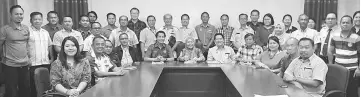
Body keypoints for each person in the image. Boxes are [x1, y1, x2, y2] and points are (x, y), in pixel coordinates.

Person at [0, 5, 31, 97]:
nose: (19, 16)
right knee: (11, 90)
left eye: (21, 14)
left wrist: (28, 58)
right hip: (10, 65)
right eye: (16, 14)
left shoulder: (26, 28)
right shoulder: (4, 29)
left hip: (24, 64)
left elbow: (27, 45)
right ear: (11, 15)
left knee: (25, 88)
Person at [328, 15, 360, 97]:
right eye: (343, 22)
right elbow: (330, 51)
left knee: (352, 92)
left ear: (352, 24)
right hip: (338, 69)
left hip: (352, 70)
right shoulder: (335, 36)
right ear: (340, 24)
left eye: (347, 23)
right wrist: (331, 65)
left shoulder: (357, 38)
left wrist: (359, 68)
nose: (345, 24)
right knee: (339, 91)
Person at [28, 12, 54, 97]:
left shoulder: (45, 32)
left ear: (42, 20)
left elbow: (50, 45)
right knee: (34, 86)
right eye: (35, 19)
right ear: (31, 20)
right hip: (33, 63)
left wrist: (52, 58)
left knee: (46, 85)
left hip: (45, 63)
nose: (37, 21)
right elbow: (24, 46)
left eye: (39, 19)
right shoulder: (27, 31)